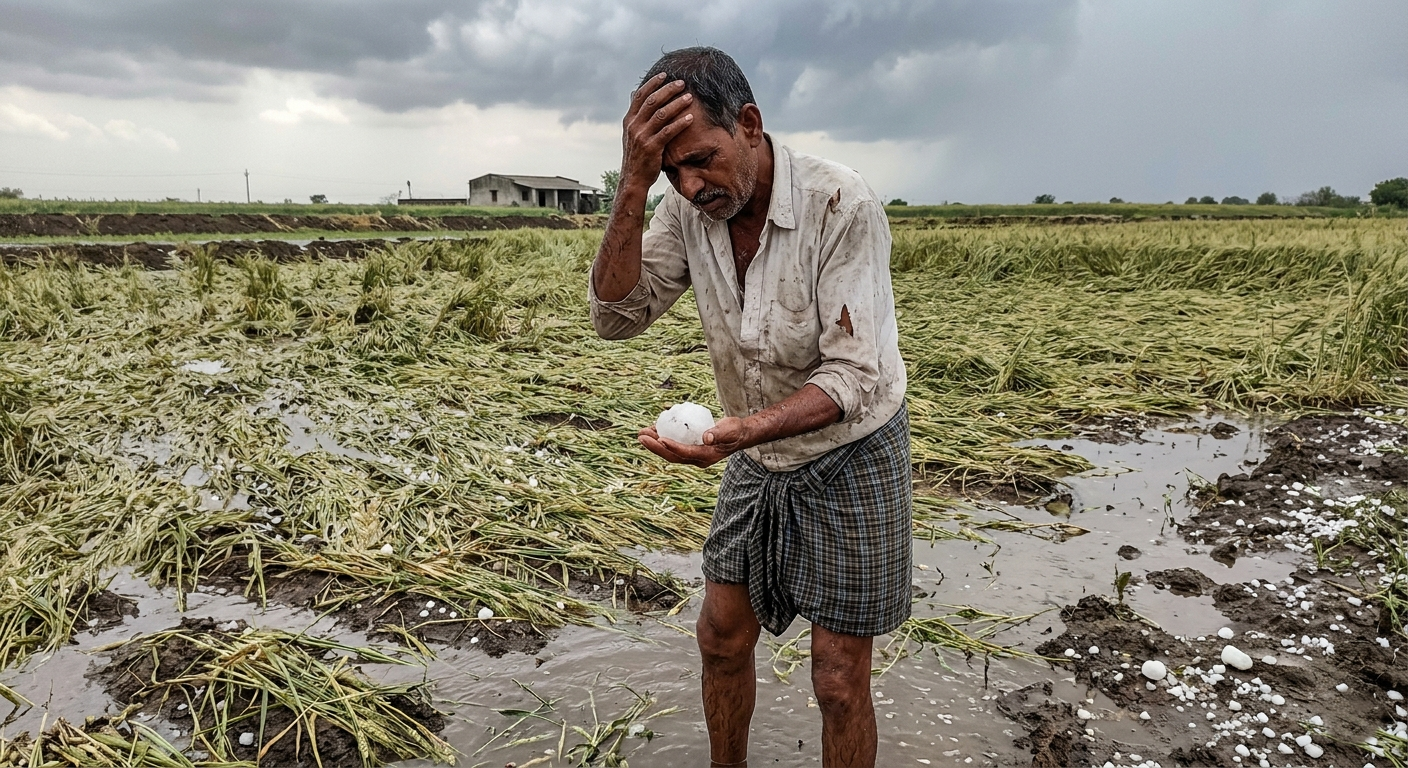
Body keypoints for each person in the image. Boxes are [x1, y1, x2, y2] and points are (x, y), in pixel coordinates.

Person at [589, 46, 910, 768]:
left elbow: (853, 376)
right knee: (721, 637)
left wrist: (737, 434)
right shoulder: (682, 210)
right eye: (672, 170)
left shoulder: (840, 202)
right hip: (753, 446)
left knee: (837, 678)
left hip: (852, 444)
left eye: (701, 158)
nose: (693, 184)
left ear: (751, 124)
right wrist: (634, 187)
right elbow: (616, 317)